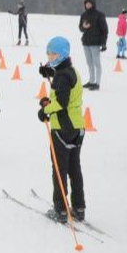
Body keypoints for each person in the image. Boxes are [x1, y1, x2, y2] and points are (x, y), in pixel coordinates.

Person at [38, 37, 87, 222]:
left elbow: (61, 101)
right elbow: (64, 89)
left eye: (53, 54)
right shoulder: (71, 71)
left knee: (59, 168)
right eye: (48, 53)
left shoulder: (61, 76)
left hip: (62, 128)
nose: (50, 56)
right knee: (74, 167)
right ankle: (79, 207)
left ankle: (60, 209)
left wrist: (45, 110)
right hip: (77, 126)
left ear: (63, 54)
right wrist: (50, 72)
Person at [78, 0, 108, 90]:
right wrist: (84, 27)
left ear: (93, 4)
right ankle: (91, 81)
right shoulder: (83, 15)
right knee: (89, 63)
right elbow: (80, 28)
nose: (88, 5)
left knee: (96, 63)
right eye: (86, 4)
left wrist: (103, 43)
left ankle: (97, 84)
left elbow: (105, 30)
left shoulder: (100, 15)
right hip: (86, 42)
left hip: (95, 43)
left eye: (89, 4)